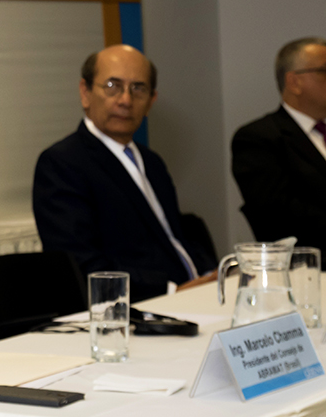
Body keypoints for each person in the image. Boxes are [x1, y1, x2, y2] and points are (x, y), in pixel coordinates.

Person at [32, 45, 216, 302]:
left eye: (138, 88)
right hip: (136, 309)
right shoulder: (62, 163)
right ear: (85, 93)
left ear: (151, 101)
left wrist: (214, 274)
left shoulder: (152, 162)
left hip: (193, 298)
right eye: (112, 86)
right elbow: (82, 264)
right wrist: (171, 291)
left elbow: (173, 238)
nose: (126, 100)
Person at [232, 37, 326, 251]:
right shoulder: (258, 138)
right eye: (324, 71)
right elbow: (279, 218)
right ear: (294, 82)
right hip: (308, 268)